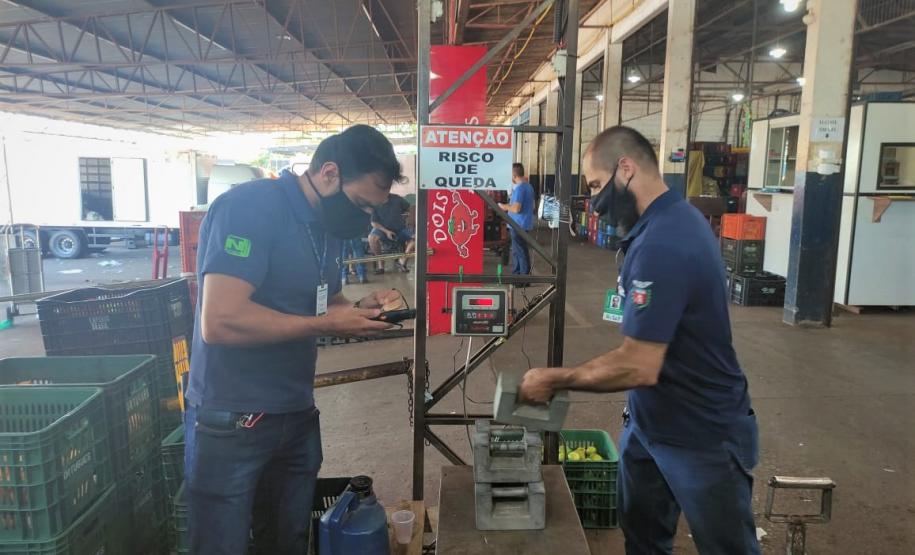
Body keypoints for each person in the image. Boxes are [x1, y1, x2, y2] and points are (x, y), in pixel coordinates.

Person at [517, 126, 760, 555]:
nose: (594, 200)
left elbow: (638, 364)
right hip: (650, 424)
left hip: (700, 434)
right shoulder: (660, 225)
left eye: (596, 185)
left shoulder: (664, 242)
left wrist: (556, 378)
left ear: (625, 169)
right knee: (644, 540)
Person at [185, 124, 405, 555]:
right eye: (361, 204)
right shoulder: (249, 208)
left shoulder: (326, 227)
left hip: (295, 414)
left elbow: (327, 302)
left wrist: (359, 307)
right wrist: (323, 325)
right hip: (234, 419)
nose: (363, 219)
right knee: (220, 545)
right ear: (329, 173)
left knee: (287, 541)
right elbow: (222, 320)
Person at [498, 163, 535, 276]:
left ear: (514, 176)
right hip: (523, 223)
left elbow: (516, 208)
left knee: (520, 252)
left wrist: (504, 207)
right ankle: (518, 274)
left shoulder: (520, 189)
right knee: (518, 251)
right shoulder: (528, 186)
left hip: (518, 224)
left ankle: (523, 277)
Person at [367, 192, 414, 274]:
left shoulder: (397, 199)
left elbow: (410, 208)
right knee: (372, 238)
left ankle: (402, 262)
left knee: (415, 240)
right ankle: (381, 265)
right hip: (383, 230)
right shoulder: (375, 202)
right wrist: (386, 231)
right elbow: (374, 223)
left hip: (400, 228)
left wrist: (410, 221)